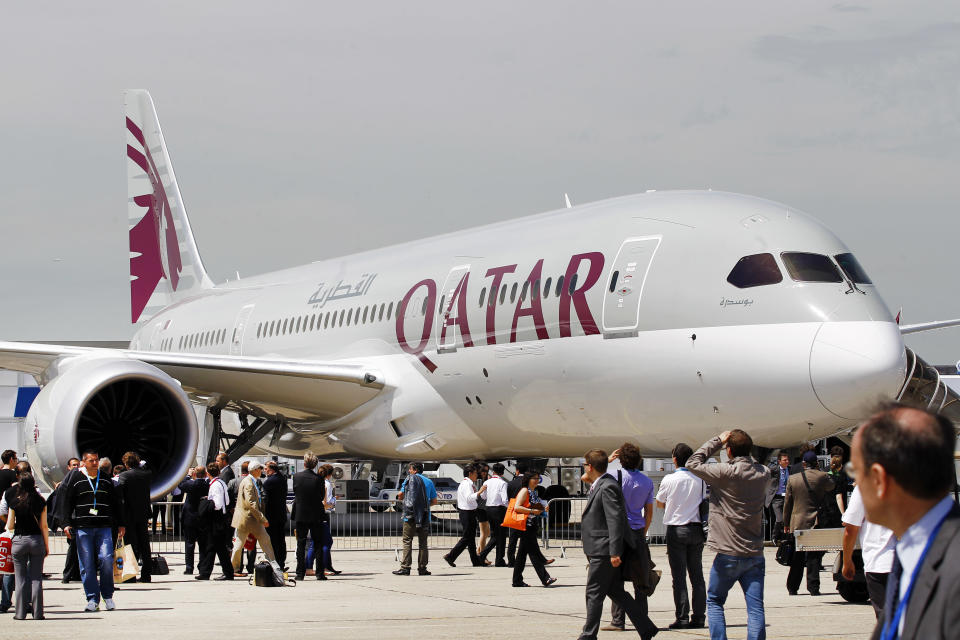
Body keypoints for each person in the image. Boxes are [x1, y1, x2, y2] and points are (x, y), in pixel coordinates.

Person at [850, 404, 960, 640]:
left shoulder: (953, 568)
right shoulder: (909, 553)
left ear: (879, 478)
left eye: (856, 470)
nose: (855, 482)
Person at [686, 430, 772, 640]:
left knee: (715, 601)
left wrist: (717, 441)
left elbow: (692, 463)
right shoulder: (764, 473)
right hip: (754, 552)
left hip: (728, 552)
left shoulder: (725, 472)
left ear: (729, 450)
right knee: (755, 609)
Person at [577, 449, 656, 640]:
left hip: (603, 550)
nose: (584, 468)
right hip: (601, 548)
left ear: (590, 467)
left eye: (585, 465)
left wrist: (614, 551)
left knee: (594, 593)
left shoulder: (607, 486)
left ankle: (588, 635)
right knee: (616, 592)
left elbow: (615, 520)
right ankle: (646, 628)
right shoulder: (601, 483)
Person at [63, 450, 125, 612]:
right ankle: (92, 598)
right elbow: (67, 502)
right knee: (87, 564)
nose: (95, 463)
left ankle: (108, 596)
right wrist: (66, 523)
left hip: (104, 526)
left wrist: (121, 523)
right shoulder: (76, 480)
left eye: (96, 460)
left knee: (106, 559)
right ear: (84, 462)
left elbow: (116, 502)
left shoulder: (105, 479)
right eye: (91, 461)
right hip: (83, 527)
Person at [602, 444, 655, 632]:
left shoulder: (614, 477)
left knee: (615, 577)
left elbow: (590, 479)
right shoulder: (647, 482)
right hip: (637, 531)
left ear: (620, 460)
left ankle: (618, 620)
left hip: (618, 531)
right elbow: (649, 512)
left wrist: (607, 462)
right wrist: (643, 529)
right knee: (640, 576)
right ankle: (642, 619)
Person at [655, 442, 707, 630]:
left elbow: (660, 503)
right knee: (697, 576)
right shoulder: (700, 479)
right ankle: (699, 616)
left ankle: (682, 616)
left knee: (679, 576)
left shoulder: (669, 479)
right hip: (695, 528)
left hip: (676, 529)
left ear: (674, 459)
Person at [783, 450, 834, 596]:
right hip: (816, 520)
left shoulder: (793, 479)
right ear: (817, 463)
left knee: (797, 556)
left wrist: (786, 523)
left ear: (803, 464)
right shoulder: (822, 476)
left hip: (798, 521)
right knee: (813, 556)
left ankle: (792, 587)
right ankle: (813, 587)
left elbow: (788, 503)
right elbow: (831, 486)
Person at [841, 485, 894, 618]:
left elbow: (850, 529)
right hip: (909, 562)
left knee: (886, 620)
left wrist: (847, 561)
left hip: (880, 563)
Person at [5, 473, 48, 620]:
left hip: (19, 541)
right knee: (36, 578)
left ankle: (20, 613)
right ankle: (37, 613)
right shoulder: (40, 501)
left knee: (20, 578)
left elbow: (10, 525)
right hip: (36, 540)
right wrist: (46, 546)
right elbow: (44, 525)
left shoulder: (14, 502)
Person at [511, 470, 556, 588]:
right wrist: (532, 511)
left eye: (538, 478)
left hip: (531, 524)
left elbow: (533, 506)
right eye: (534, 478)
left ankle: (517, 580)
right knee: (533, 553)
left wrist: (541, 509)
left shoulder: (533, 492)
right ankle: (545, 578)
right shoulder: (525, 490)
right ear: (528, 479)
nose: (537, 480)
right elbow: (517, 507)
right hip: (526, 525)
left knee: (522, 555)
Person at [230, 461, 277, 572]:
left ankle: (233, 568)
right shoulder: (249, 483)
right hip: (250, 519)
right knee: (265, 542)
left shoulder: (251, 481)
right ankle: (274, 565)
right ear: (255, 470)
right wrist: (262, 518)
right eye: (260, 469)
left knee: (239, 544)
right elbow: (251, 503)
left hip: (248, 519)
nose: (261, 471)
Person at [392, 462, 437, 576]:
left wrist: (400, 497)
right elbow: (434, 501)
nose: (409, 471)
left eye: (410, 469)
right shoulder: (429, 481)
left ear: (415, 470)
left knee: (407, 540)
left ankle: (405, 567)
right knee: (423, 543)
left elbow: (401, 495)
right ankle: (422, 568)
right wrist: (423, 507)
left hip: (410, 516)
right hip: (424, 516)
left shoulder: (409, 479)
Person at [117, 452, 153, 583]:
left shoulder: (124, 476)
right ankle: (146, 574)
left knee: (130, 545)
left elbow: (120, 495)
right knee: (144, 544)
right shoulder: (146, 475)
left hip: (129, 515)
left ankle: (130, 575)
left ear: (126, 463)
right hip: (143, 513)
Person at [195, 462, 234, 581]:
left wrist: (208, 502)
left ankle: (211, 572)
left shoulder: (214, 485)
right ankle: (212, 572)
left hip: (215, 518)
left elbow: (217, 504)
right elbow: (226, 502)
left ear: (208, 473)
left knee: (215, 547)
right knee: (216, 547)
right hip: (222, 517)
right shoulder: (221, 483)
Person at [444, 463, 487, 568]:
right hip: (467, 512)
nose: (477, 475)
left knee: (471, 538)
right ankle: (451, 556)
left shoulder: (468, 483)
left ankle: (475, 561)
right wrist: (480, 492)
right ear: (470, 473)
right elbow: (469, 498)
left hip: (469, 512)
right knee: (467, 538)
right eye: (476, 473)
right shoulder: (467, 484)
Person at [292, 452, 327, 581]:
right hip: (316, 513)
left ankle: (300, 573)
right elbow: (320, 495)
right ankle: (319, 573)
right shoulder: (319, 479)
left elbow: (296, 492)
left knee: (301, 544)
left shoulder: (297, 476)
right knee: (318, 543)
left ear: (305, 463)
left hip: (301, 513)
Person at [49, 457, 81, 583]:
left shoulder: (76, 482)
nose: (76, 467)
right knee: (73, 548)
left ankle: (76, 574)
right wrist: (65, 523)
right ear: (68, 467)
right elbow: (61, 505)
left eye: (78, 465)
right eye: (73, 465)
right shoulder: (65, 484)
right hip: (71, 520)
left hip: (77, 519)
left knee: (77, 548)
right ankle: (67, 575)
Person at [178, 465, 209, 575]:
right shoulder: (207, 485)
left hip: (190, 518)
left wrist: (188, 475)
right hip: (202, 517)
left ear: (195, 474)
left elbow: (180, 485)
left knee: (189, 544)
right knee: (202, 545)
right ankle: (202, 566)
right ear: (205, 474)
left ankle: (189, 567)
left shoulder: (191, 484)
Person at [478, 462, 509, 566]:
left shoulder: (488, 482)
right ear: (502, 473)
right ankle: (488, 556)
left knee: (496, 534)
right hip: (499, 509)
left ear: (493, 471)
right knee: (500, 535)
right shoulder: (503, 483)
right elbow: (505, 500)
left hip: (489, 509)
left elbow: (483, 496)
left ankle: (497, 559)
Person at [228, 461, 255, 573]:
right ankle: (250, 566)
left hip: (237, 515)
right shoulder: (254, 482)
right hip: (251, 516)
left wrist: (232, 509)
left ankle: (237, 567)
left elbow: (228, 497)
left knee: (238, 541)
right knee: (251, 542)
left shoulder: (233, 482)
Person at [262, 461, 288, 570]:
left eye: (266, 469)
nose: (265, 471)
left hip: (271, 515)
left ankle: (275, 562)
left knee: (273, 540)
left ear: (272, 470)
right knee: (281, 539)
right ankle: (281, 561)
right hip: (281, 514)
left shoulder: (269, 482)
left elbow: (265, 499)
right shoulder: (282, 479)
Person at [505, 461, 527, 567]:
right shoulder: (527, 483)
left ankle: (511, 560)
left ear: (517, 471)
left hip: (514, 511)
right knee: (526, 538)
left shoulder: (511, 483)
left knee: (512, 539)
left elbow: (508, 498)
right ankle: (522, 559)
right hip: (525, 511)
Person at [319, 464, 339, 575]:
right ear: (330, 474)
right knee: (327, 542)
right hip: (324, 513)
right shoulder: (327, 484)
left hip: (318, 513)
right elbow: (326, 502)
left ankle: (326, 565)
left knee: (316, 542)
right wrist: (334, 501)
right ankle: (325, 566)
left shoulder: (319, 482)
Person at [768, 452, 790, 543]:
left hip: (787, 497)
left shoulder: (791, 469)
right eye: (785, 460)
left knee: (788, 519)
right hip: (777, 498)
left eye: (788, 460)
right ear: (779, 461)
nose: (787, 462)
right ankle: (774, 537)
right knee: (779, 519)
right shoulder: (774, 470)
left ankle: (787, 537)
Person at [475, 464, 490, 554]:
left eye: (486, 471)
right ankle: (482, 554)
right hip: (481, 508)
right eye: (483, 470)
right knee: (484, 533)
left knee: (485, 533)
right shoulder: (479, 481)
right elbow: (478, 494)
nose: (484, 472)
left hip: (483, 508)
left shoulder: (484, 480)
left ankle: (479, 551)